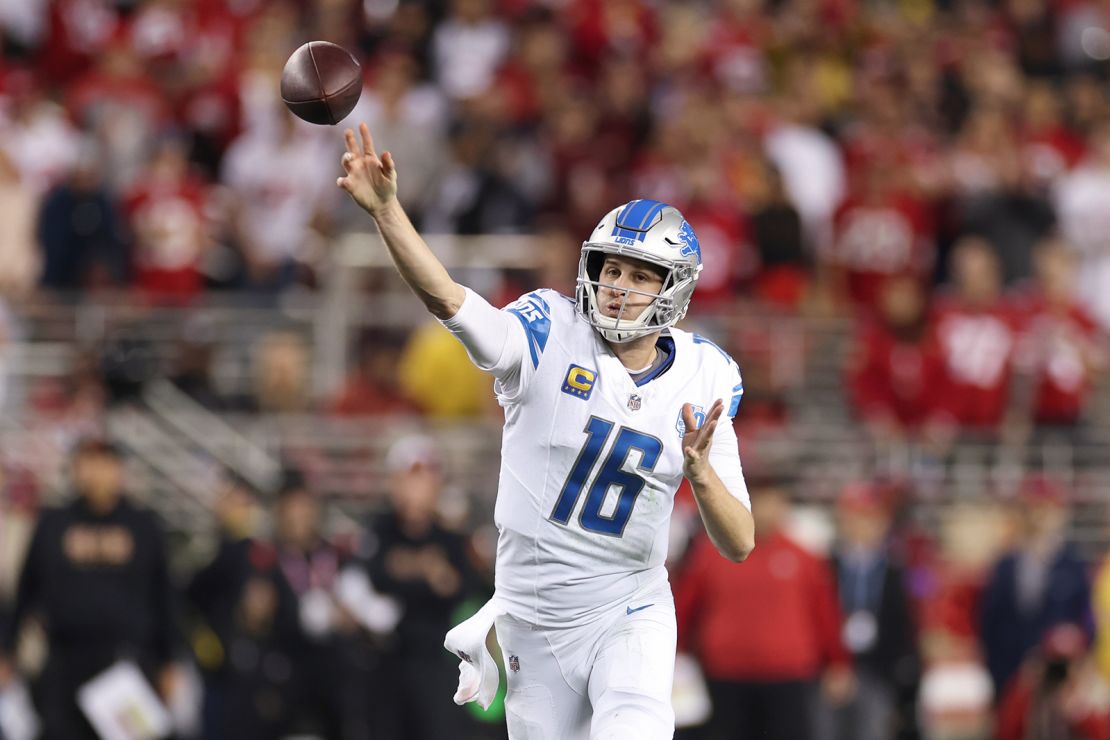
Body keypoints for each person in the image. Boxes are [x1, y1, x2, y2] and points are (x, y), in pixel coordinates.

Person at [336, 122, 755, 739]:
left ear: (674, 290)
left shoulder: (705, 376)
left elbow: (740, 540)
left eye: (641, 276)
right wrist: (388, 212)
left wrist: (701, 476)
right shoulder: (550, 330)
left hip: (629, 604)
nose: (618, 288)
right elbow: (450, 303)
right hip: (535, 615)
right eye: (612, 269)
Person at [0, 438, 181, 740]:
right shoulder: (54, 523)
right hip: (64, 662)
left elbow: (164, 596)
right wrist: (7, 651)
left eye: (104, 463)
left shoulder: (142, 525)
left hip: (126, 664)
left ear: (119, 470)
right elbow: (26, 591)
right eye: (87, 463)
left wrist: (169, 660)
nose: (96, 473)